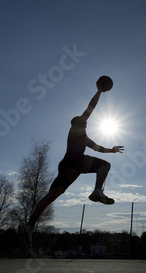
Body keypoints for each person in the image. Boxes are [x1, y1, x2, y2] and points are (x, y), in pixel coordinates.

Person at [19, 76, 124, 251]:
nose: (87, 122)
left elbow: (97, 148)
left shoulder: (83, 137)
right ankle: (97, 190)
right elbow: (90, 109)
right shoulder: (77, 126)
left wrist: (112, 150)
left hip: (70, 165)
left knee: (51, 196)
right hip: (75, 161)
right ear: (77, 122)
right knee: (104, 166)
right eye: (84, 121)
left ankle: (29, 226)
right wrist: (99, 91)